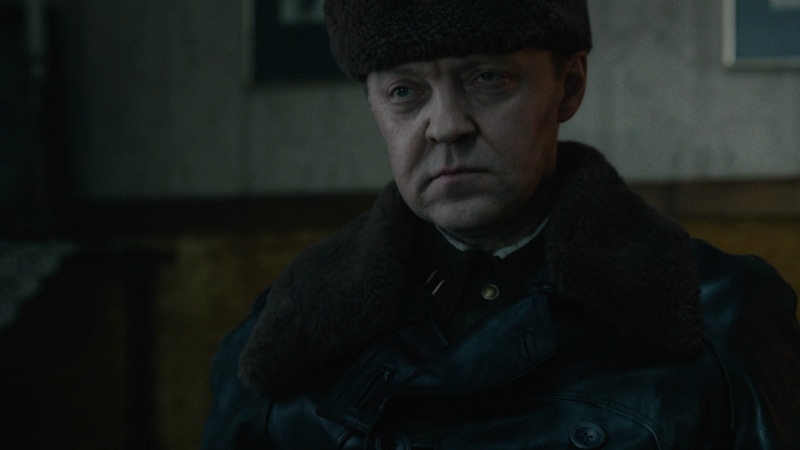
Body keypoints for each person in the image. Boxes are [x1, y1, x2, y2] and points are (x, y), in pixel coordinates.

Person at [201, 1, 800, 448]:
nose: (446, 126)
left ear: (569, 87)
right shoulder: (283, 340)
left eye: (487, 78)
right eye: (405, 91)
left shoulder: (720, 317)